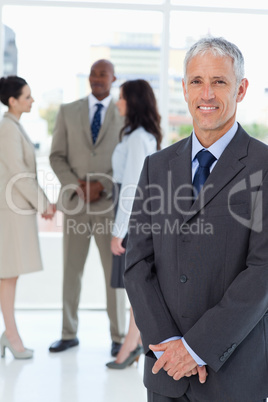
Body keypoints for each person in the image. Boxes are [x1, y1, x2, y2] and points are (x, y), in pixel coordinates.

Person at [124, 37, 268, 402]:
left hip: (232, 375)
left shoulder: (262, 166)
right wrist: (171, 346)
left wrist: (197, 348)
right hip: (166, 372)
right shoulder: (157, 167)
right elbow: (137, 263)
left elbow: (263, 271)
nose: (207, 93)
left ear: (241, 89)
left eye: (219, 81)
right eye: (197, 81)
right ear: (184, 89)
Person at [49, 59, 126, 356]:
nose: (96, 78)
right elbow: (56, 156)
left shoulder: (124, 113)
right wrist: (78, 185)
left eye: (102, 74)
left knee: (113, 275)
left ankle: (119, 337)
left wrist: (102, 185)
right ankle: (68, 333)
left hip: (109, 207)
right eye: (93, 74)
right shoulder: (68, 111)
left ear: (113, 78)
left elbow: (129, 161)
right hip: (76, 205)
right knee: (71, 271)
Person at [106, 79, 162, 369]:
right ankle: (134, 340)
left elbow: (131, 186)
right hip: (131, 213)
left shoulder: (139, 137)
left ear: (134, 102)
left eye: (122, 98)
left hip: (132, 215)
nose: (118, 103)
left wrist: (119, 231)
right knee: (133, 282)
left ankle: (132, 343)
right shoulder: (137, 135)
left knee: (133, 282)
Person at [0, 76, 55, 359]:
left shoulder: (14, 127)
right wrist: (44, 203)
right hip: (10, 215)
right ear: (13, 100)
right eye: (28, 96)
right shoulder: (8, 129)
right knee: (7, 276)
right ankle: (11, 336)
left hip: (15, 212)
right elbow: (20, 175)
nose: (32, 101)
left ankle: (9, 334)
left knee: (10, 276)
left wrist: (44, 200)